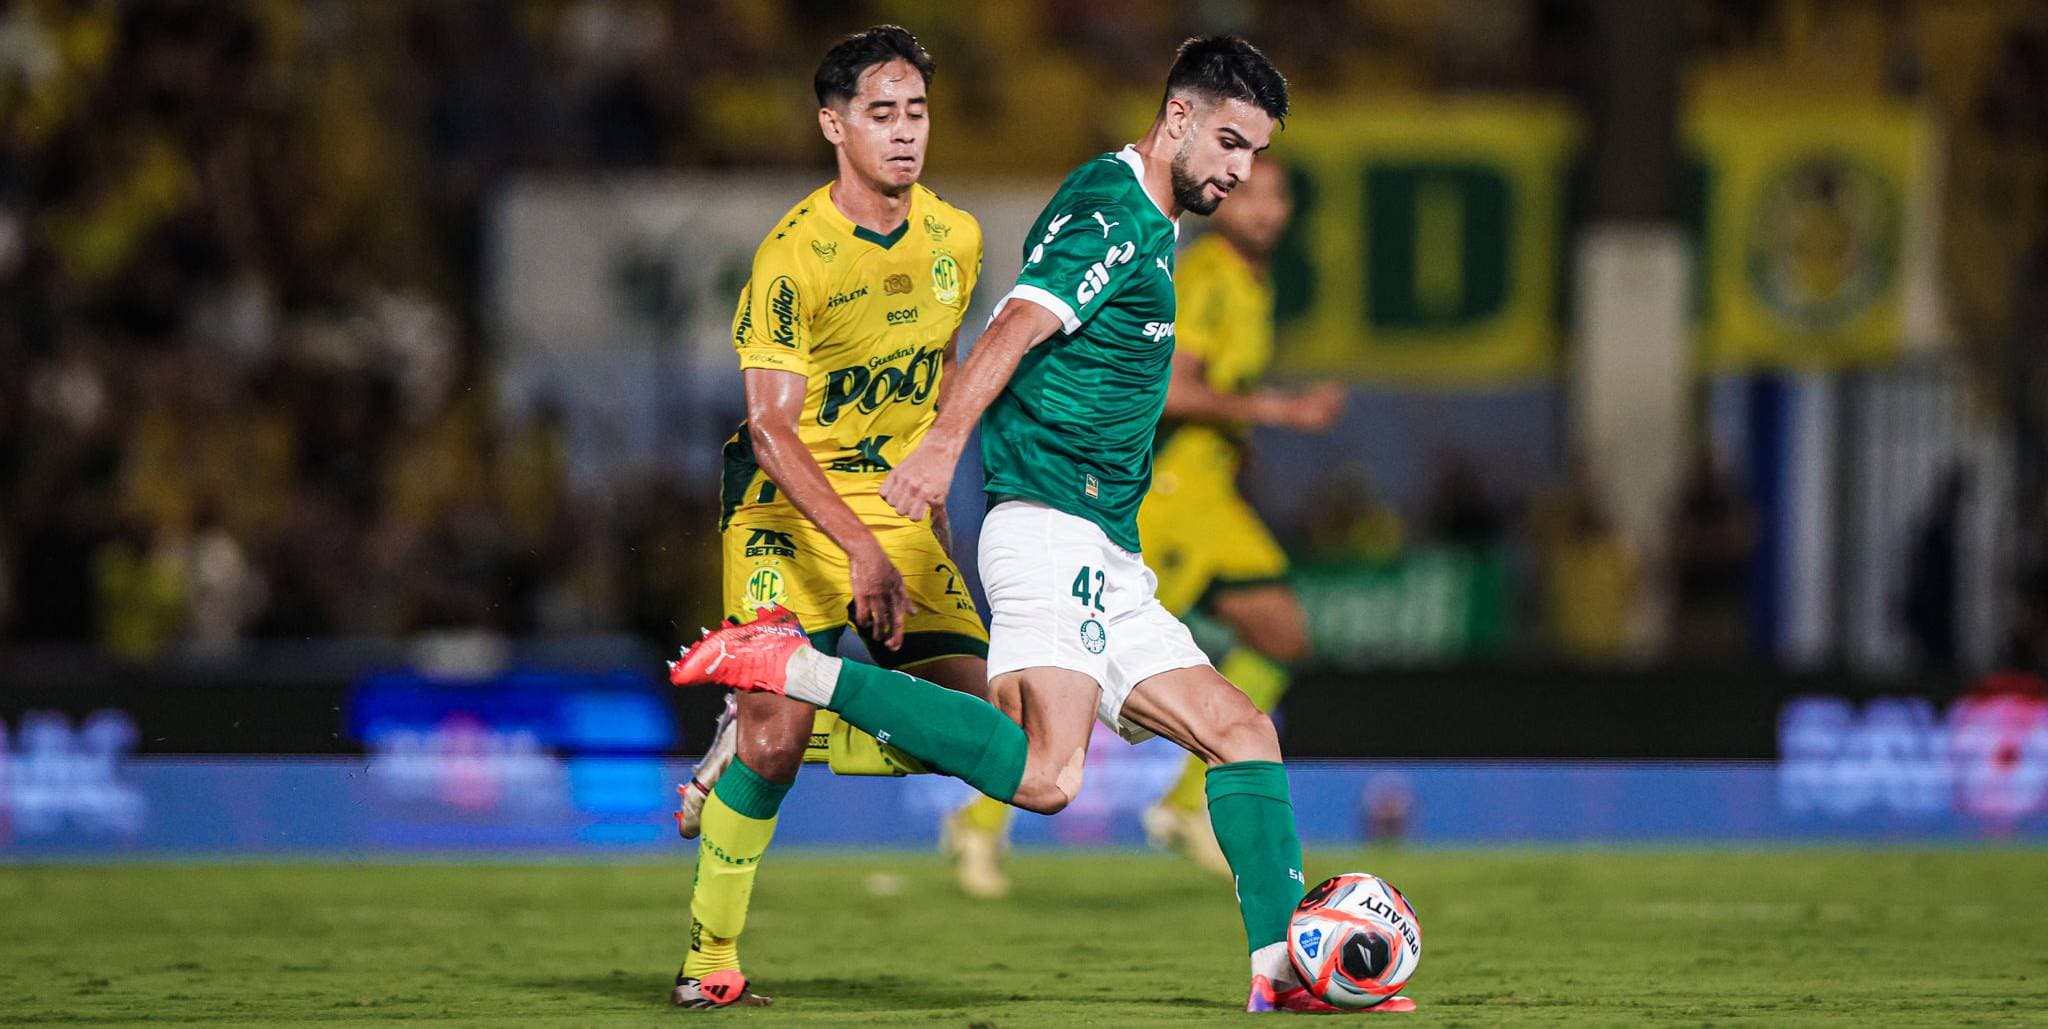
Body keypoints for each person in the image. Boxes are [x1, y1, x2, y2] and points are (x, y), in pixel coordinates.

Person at [673, 36, 1413, 1015]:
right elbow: (1017, 324)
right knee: (1047, 774)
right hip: (1049, 527)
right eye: (1230, 143)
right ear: (1178, 119)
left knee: (1240, 731)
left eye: (1256, 152)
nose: (1240, 172)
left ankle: (1281, 974)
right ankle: (791, 679)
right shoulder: (1112, 212)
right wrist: (943, 450)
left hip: (1104, 547)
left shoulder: (1130, 223)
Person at [666, 26, 992, 1009]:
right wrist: (857, 548)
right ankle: (709, 961)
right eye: (881, 114)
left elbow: (937, 384)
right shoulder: (790, 257)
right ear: (832, 125)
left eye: (917, 111)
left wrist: (927, 521)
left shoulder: (957, 239)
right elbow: (771, 431)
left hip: (891, 511)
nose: (905, 132)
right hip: (782, 509)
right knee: (774, 749)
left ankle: (775, 718)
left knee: (984, 732)